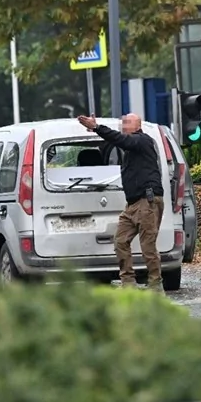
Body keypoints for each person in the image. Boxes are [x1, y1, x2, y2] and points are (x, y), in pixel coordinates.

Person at [76, 113, 165, 291]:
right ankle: (128, 282)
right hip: (133, 203)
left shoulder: (142, 140)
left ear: (137, 125)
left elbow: (121, 140)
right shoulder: (130, 145)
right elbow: (117, 140)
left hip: (146, 201)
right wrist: (97, 131)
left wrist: (97, 127)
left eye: (127, 122)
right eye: (122, 122)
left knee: (148, 245)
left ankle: (156, 284)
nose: (123, 125)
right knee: (120, 241)